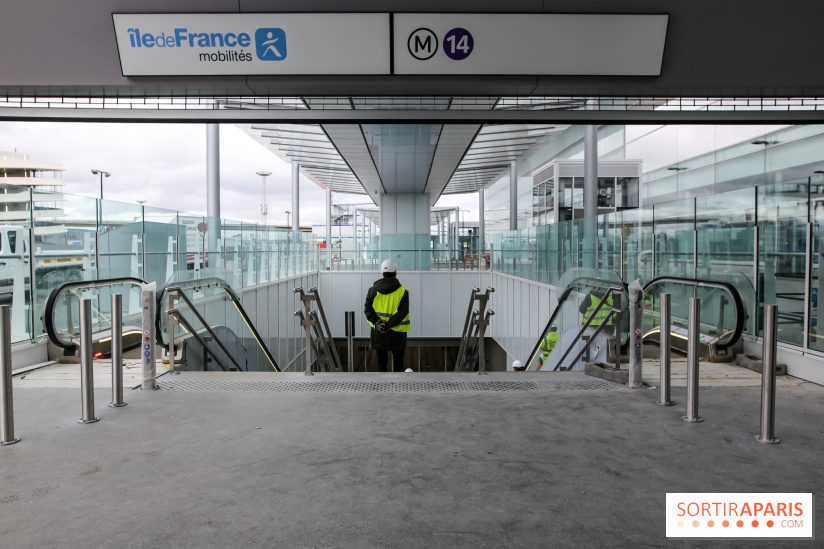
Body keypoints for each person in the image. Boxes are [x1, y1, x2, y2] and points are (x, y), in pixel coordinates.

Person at [364, 259, 410, 372]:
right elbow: (402, 312)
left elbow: (368, 310)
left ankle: (381, 387)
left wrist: (381, 324)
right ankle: (399, 387)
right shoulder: (403, 292)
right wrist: (389, 325)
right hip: (397, 333)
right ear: (395, 273)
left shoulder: (372, 291)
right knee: (398, 362)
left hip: (379, 332)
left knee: (381, 361)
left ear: (382, 273)